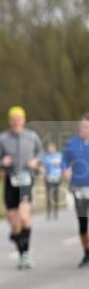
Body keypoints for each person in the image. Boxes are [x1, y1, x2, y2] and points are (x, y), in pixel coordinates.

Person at [0, 106, 44, 269]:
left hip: (27, 180)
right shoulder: (2, 138)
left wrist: (35, 162)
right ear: (9, 121)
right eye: (13, 119)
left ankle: (26, 254)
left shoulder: (32, 136)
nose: (16, 121)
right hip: (10, 181)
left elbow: (41, 154)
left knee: (24, 216)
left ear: (24, 120)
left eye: (19, 118)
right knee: (14, 224)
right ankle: (22, 254)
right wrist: (2, 163)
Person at [62, 112, 89, 268]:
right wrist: (65, 169)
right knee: (82, 223)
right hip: (78, 188)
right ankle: (86, 252)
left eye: (86, 127)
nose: (83, 129)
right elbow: (64, 161)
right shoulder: (72, 143)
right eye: (82, 126)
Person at [42, 142, 64, 221]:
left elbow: (63, 165)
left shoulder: (59, 155)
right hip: (48, 178)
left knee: (56, 195)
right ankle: (48, 212)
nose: (50, 149)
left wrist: (59, 165)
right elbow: (43, 166)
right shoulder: (46, 156)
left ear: (55, 148)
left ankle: (56, 212)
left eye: (52, 148)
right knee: (49, 195)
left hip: (57, 177)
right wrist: (43, 170)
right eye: (49, 148)